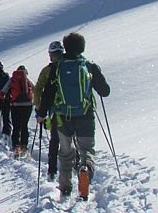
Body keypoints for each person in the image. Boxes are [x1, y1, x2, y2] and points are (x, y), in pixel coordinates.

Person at [37, 32, 111, 199]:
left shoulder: (57, 67)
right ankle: (85, 169)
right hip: (85, 115)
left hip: (64, 117)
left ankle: (65, 187)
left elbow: (48, 93)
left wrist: (42, 114)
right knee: (87, 150)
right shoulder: (89, 66)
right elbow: (105, 92)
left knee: (65, 153)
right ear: (82, 47)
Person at [34, 41, 65, 181]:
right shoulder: (71, 66)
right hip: (74, 112)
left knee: (54, 141)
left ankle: (52, 171)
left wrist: (39, 107)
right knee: (72, 140)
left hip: (55, 111)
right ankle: (77, 165)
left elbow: (40, 89)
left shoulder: (47, 70)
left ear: (51, 54)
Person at [8, 65, 34, 159]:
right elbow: (35, 90)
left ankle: (16, 147)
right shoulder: (28, 81)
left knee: (16, 126)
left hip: (15, 105)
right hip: (27, 105)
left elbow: (3, 91)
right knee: (24, 125)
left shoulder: (12, 79)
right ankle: (24, 146)